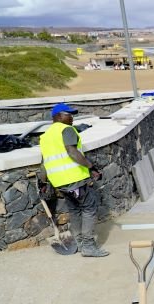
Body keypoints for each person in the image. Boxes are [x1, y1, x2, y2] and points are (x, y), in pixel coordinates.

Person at [38, 103, 109, 257]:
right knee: (89, 208)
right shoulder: (67, 130)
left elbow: (44, 164)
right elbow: (72, 152)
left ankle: (79, 241)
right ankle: (88, 245)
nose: (72, 117)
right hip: (74, 179)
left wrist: (43, 182)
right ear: (58, 116)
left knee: (75, 210)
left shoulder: (45, 136)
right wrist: (91, 167)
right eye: (68, 114)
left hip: (59, 183)